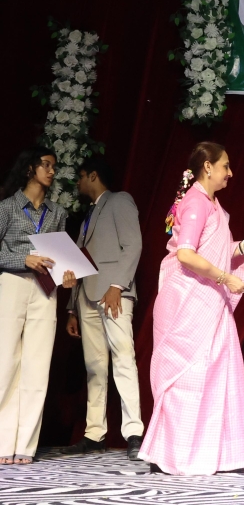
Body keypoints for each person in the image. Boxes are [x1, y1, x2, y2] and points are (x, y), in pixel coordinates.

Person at [137, 142, 244, 475]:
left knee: (212, 374)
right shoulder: (196, 203)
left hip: (207, 298)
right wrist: (226, 278)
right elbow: (186, 255)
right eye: (225, 166)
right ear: (207, 167)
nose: (230, 173)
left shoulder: (211, 204)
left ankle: (211, 454)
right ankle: (173, 455)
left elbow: (214, 250)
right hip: (187, 300)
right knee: (187, 377)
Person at [60, 155, 144, 461]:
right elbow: (80, 262)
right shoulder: (88, 215)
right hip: (86, 296)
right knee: (94, 365)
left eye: (81, 176)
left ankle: (134, 432)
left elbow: (133, 245)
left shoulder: (120, 201)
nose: (78, 183)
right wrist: (72, 308)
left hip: (113, 293)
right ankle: (94, 433)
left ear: (93, 176)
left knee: (123, 358)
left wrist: (117, 286)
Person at [0, 146, 76, 465]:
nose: (52, 171)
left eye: (54, 167)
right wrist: (24, 259)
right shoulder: (6, 207)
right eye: (46, 165)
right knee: (6, 361)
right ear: (30, 168)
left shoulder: (57, 212)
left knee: (38, 364)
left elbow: (59, 255)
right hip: (12, 283)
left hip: (45, 289)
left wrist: (67, 276)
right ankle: (3, 442)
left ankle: (25, 446)